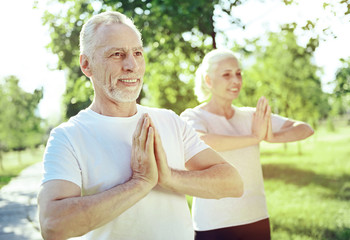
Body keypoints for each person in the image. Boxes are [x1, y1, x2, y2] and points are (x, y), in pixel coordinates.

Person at [37, 12, 244, 240]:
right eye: (117, 54)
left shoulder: (169, 120)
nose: (131, 65)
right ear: (87, 65)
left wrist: (169, 177)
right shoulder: (68, 137)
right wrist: (139, 184)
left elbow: (232, 182)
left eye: (137, 53)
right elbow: (53, 225)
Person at [180, 49, 314, 240]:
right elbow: (202, 140)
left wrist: (270, 137)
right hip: (213, 223)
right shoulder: (193, 116)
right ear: (208, 81)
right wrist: (254, 137)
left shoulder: (251, 116)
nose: (235, 80)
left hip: (256, 218)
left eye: (238, 73)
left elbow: (305, 129)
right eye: (227, 75)